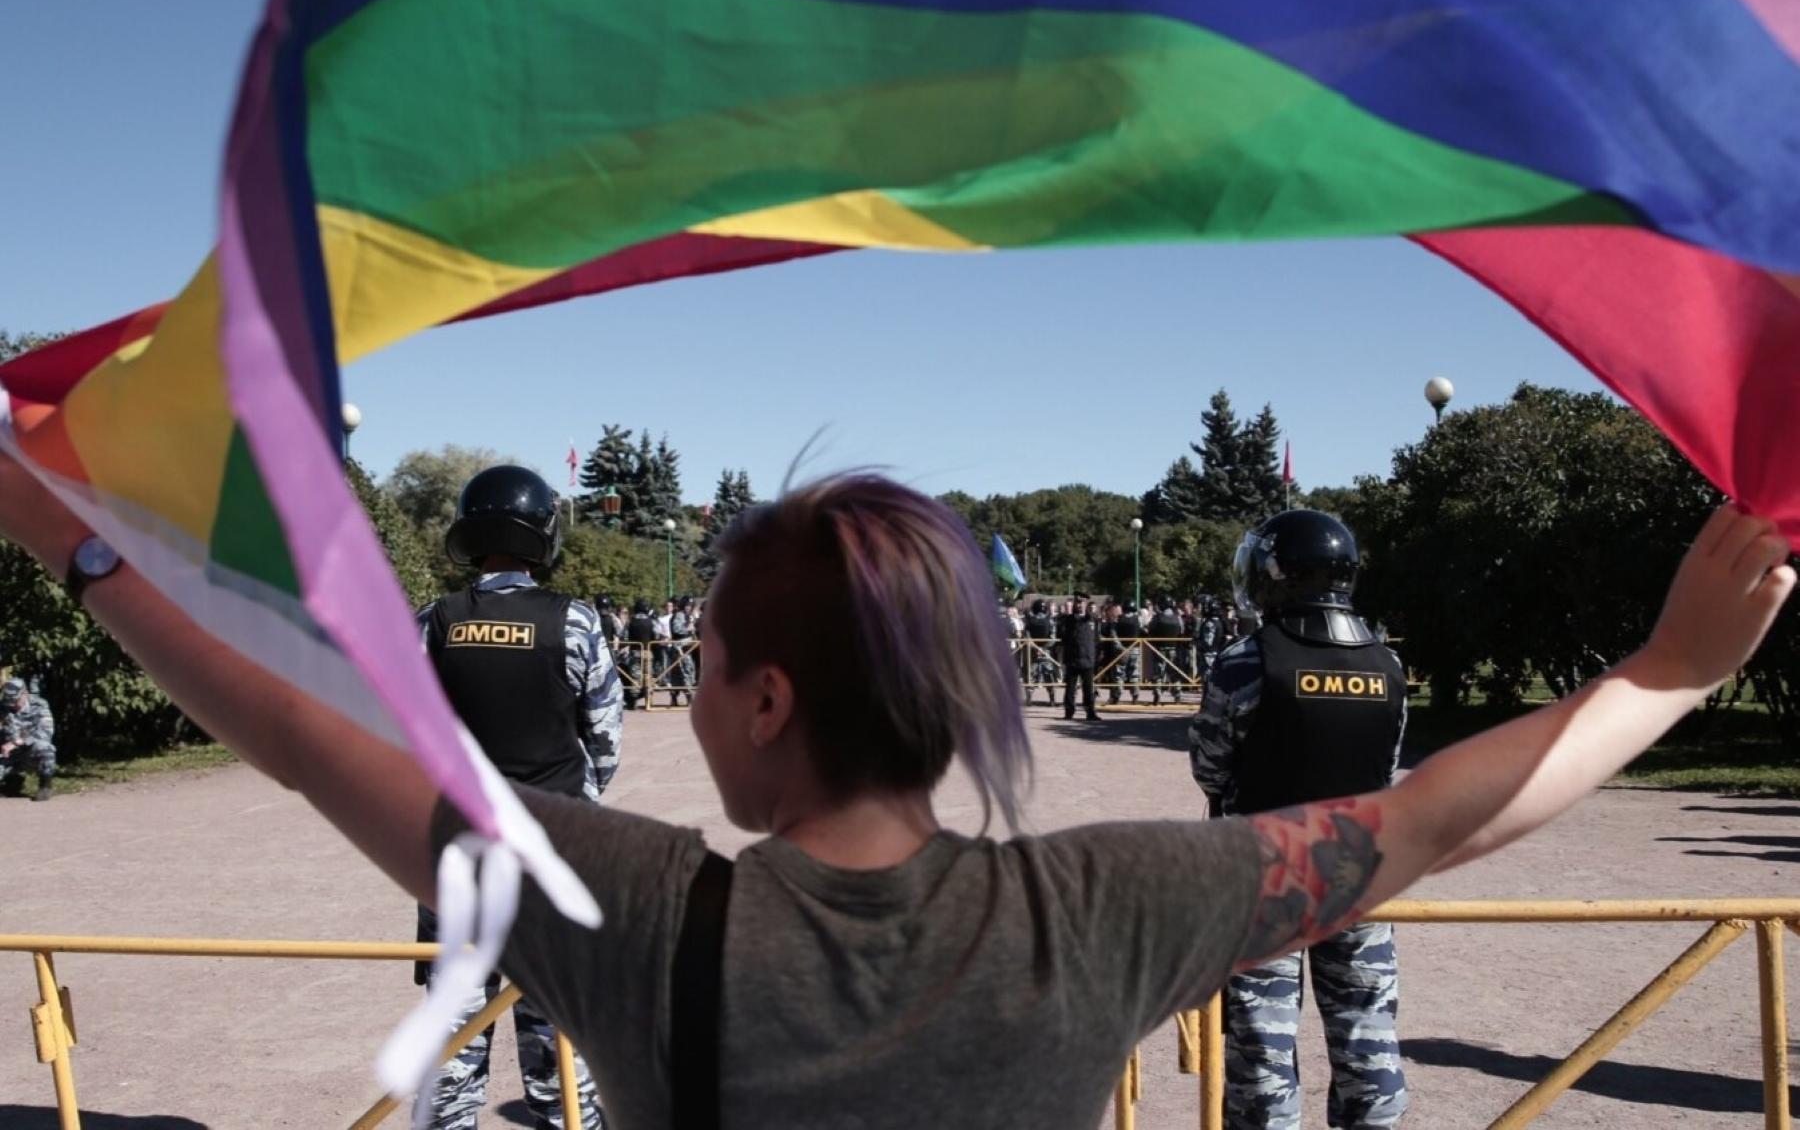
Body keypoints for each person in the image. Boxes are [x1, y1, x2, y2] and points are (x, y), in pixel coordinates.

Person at [1, 455, 1788, 1130]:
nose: (684, 691)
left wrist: (73, 541)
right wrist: (1666, 674)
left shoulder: (627, 907)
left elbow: (302, 727)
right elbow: (1427, 818)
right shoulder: (1105, 907)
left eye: (702, 663)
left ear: (767, 700)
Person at [1191, 509, 1408, 1129]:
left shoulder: (1247, 661)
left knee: (1263, 1047)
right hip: (1361, 874)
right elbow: (1383, 767)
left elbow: (1211, 765)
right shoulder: (1387, 667)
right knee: (1368, 1041)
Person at [415, 465, 617, 1130]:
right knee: (558, 1022)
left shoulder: (435, 623)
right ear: (544, 538)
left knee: (455, 1023)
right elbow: (605, 741)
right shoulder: (578, 623)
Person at [0, 676, 55, 801]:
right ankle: (12, 781)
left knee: (45, 748)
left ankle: (45, 785)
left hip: (31, 753)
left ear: (24, 694)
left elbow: (46, 732)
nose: (13, 706)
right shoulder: (3, 706)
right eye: (10, 703)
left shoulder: (40, 705)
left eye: (16, 701)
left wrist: (18, 742)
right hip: (8, 755)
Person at [1058, 592, 1102, 721]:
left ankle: (1090, 712)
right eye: (1077, 602)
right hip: (1073, 658)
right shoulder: (1068, 620)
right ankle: (1069, 712)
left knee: (1088, 688)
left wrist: (1097, 655)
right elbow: (1064, 639)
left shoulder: (1093, 619)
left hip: (1088, 658)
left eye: (1082, 603)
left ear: (1086, 604)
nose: (1079, 605)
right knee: (1070, 688)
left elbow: (1096, 640)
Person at [1150, 597, 1186, 704]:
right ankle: (1178, 694)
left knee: (1158, 673)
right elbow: (1182, 631)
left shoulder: (1157, 618)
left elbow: (1150, 629)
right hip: (1173, 650)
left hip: (1159, 649)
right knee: (1174, 673)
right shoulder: (1178, 618)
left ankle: (1157, 694)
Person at [625, 599, 659, 710]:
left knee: (635, 677)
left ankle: (633, 702)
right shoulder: (651, 621)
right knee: (648, 676)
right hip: (647, 652)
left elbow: (623, 636)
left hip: (634, 653)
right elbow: (657, 635)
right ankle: (648, 701)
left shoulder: (630, 621)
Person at [1024, 598, 1057, 705]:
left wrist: (1037, 648)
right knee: (1044, 675)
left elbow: (1027, 637)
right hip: (1043, 652)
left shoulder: (1031, 621)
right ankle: (1051, 699)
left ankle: (1031, 699)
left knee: (1033, 676)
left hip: (1038, 652)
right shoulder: (1048, 620)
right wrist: (1041, 649)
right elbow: (1053, 638)